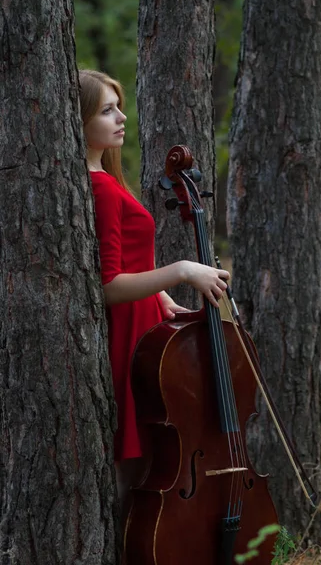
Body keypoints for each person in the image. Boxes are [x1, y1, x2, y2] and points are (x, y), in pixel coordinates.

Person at [78, 69, 229, 505]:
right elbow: (107, 285)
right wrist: (182, 270)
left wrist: (162, 297)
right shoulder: (100, 189)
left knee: (143, 464)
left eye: (119, 106)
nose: (122, 117)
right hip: (126, 332)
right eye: (107, 110)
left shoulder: (104, 180)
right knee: (132, 473)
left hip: (142, 321)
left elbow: (130, 261)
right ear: (80, 119)